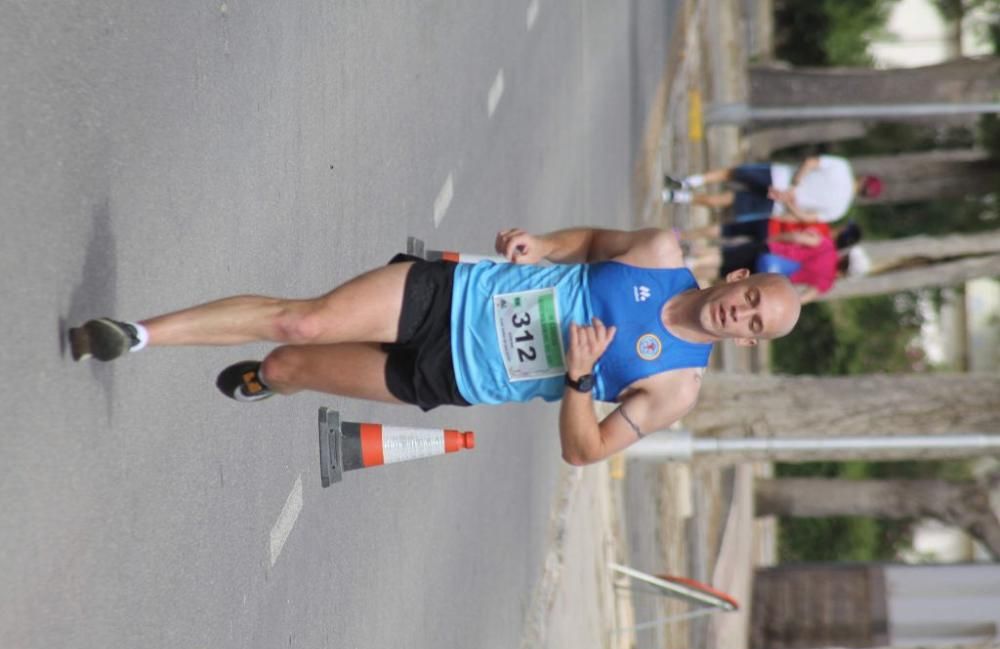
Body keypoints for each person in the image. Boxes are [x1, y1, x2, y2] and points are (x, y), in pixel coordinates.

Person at [69, 227, 801, 465]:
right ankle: (137, 334)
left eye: (756, 325)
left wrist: (579, 380)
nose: (743, 314)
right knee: (304, 322)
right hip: (453, 295)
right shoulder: (659, 247)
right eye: (752, 299)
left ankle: (274, 378)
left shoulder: (676, 387)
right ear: (739, 277)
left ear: (748, 339)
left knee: (287, 362)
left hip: (452, 373)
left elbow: (585, 451)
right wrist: (539, 243)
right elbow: (586, 242)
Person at [662, 155, 882, 224]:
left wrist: (794, 185)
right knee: (729, 200)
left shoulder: (843, 167)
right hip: (777, 204)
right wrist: (788, 201)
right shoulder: (840, 210)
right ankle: (678, 197)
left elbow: (810, 162)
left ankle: (691, 181)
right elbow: (806, 218)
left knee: (732, 173)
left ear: (863, 179)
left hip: (779, 177)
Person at [686, 220, 865, 304]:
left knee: (723, 255)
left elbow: (797, 237)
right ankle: (690, 272)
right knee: (723, 273)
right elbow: (800, 299)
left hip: (772, 252)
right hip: (767, 276)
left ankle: (691, 263)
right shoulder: (827, 283)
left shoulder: (827, 247)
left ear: (846, 256)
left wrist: (776, 239)